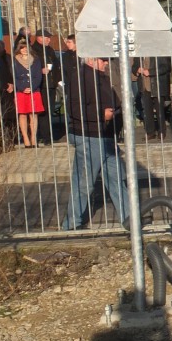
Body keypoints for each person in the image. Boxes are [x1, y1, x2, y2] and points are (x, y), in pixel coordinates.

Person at [60, 55, 128, 230]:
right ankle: (71, 224)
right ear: (91, 59)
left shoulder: (100, 77)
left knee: (117, 179)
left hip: (105, 136)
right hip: (90, 136)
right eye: (103, 59)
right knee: (84, 183)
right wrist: (101, 114)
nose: (106, 63)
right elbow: (74, 108)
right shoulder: (81, 77)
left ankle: (129, 218)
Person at [11, 37, 45, 149]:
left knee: (33, 114)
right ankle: (25, 138)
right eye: (22, 48)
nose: (24, 49)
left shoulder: (35, 59)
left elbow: (38, 76)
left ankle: (34, 138)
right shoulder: (14, 61)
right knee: (22, 114)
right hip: (21, 92)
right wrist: (22, 88)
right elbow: (14, 77)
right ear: (19, 49)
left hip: (34, 90)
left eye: (26, 47)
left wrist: (32, 87)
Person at [31, 29, 62, 145]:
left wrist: (58, 80)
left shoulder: (50, 50)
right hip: (41, 85)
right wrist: (40, 71)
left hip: (51, 84)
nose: (49, 40)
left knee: (50, 110)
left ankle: (48, 134)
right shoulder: (33, 50)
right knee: (42, 111)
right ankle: (45, 136)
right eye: (47, 37)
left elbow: (57, 65)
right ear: (39, 38)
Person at [135, 54, 172, 139]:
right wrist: (137, 70)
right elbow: (134, 66)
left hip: (157, 86)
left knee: (159, 109)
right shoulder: (139, 54)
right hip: (144, 86)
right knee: (147, 110)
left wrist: (150, 72)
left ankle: (161, 131)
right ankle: (150, 132)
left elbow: (166, 67)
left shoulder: (159, 53)